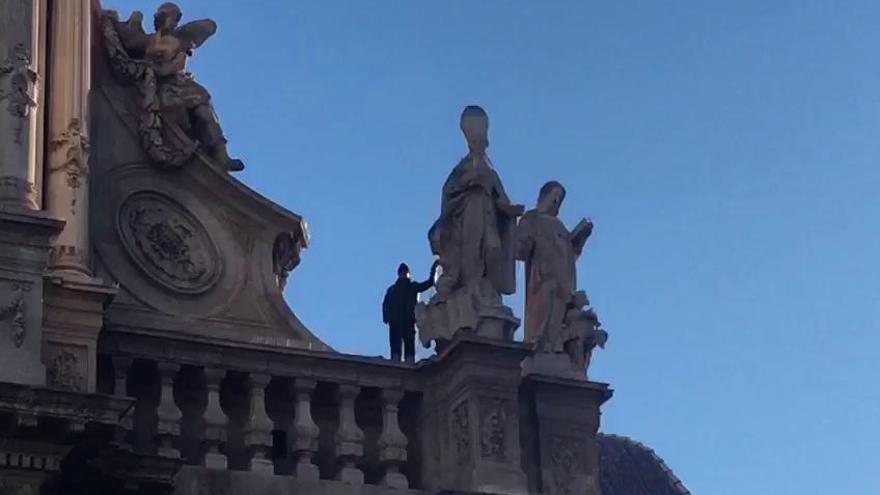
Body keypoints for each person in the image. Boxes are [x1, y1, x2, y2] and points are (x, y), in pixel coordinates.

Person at [382, 261, 439, 362]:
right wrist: (386, 316)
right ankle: (396, 360)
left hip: (408, 319)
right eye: (402, 272)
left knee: (409, 343)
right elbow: (385, 303)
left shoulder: (412, 286)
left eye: (405, 272)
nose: (404, 274)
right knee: (396, 344)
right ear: (399, 274)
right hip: (395, 321)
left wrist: (434, 269)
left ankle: (409, 360)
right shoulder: (392, 290)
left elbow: (429, 283)